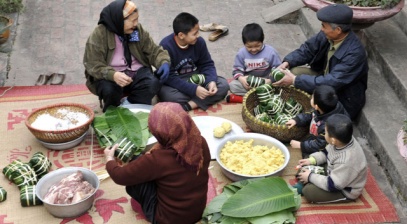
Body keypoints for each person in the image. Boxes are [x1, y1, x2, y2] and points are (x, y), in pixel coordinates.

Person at [104, 102, 211, 224]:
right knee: (144, 167)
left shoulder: (157, 160)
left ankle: (146, 209)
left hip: (167, 219)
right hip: (197, 211)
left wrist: (109, 159)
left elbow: (120, 176)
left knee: (135, 170)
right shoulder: (200, 141)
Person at [273, 4, 368, 120]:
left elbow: (332, 81)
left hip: (342, 96)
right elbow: (307, 49)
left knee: (318, 119)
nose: (321, 29)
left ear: (338, 30)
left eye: (324, 26)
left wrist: (295, 80)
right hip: (324, 77)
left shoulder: (355, 53)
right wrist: (287, 62)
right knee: (293, 71)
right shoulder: (327, 35)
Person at [83, 0, 171, 112]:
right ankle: (113, 111)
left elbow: (154, 51)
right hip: (111, 75)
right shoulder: (99, 34)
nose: (136, 24)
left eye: (137, 20)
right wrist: (113, 75)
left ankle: (131, 103)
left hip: (136, 71)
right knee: (110, 90)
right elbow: (92, 64)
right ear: (120, 20)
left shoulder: (137, 31)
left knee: (153, 83)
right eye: (133, 21)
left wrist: (164, 62)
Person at [158, 12, 229, 111]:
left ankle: (189, 105)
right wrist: (193, 90)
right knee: (167, 95)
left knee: (223, 85)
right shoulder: (166, 46)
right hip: (178, 81)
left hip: (198, 78)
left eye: (198, 32)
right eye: (194, 33)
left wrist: (210, 82)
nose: (198, 35)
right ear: (181, 35)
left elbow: (207, 64)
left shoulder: (199, 42)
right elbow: (170, 77)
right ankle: (202, 99)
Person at [295, 114, 368, 203]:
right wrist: (311, 160)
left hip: (342, 189)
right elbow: (326, 153)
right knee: (304, 167)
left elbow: (333, 185)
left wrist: (310, 177)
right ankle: (310, 179)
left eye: (325, 132)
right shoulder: (342, 139)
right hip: (334, 171)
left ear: (333, 140)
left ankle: (308, 182)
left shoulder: (347, 160)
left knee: (308, 192)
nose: (324, 134)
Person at [287, 85, 349, 158]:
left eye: (312, 97)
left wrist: (301, 145)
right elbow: (311, 114)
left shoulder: (327, 126)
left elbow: (319, 145)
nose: (311, 97)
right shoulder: (328, 107)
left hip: (323, 147)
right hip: (315, 135)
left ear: (316, 106)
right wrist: (297, 119)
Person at [228, 23, 281, 103]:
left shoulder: (271, 52)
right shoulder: (241, 53)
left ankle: (250, 98)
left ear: (262, 40)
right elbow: (236, 71)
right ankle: (262, 96)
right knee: (233, 86)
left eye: (257, 46)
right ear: (244, 43)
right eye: (249, 47)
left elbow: (278, 70)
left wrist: (269, 80)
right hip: (250, 84)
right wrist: (242, 79)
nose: (253, 49)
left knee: (281, 85)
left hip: (266, 82)